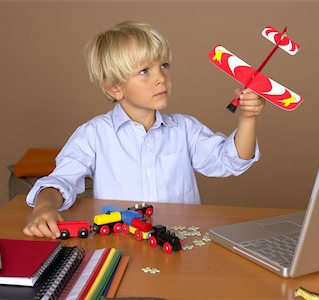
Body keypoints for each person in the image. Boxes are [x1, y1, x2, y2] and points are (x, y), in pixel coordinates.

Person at [23, 21, 265, 239]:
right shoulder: (94, 134)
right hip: (121, 245)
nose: (161, 77)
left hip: (180, 244)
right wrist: (44, 207)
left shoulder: (185, 129)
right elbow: (60, 181)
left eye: (164, 65)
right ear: (114, 89)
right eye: (144, 71)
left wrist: (247, 117)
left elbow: (232, 160)